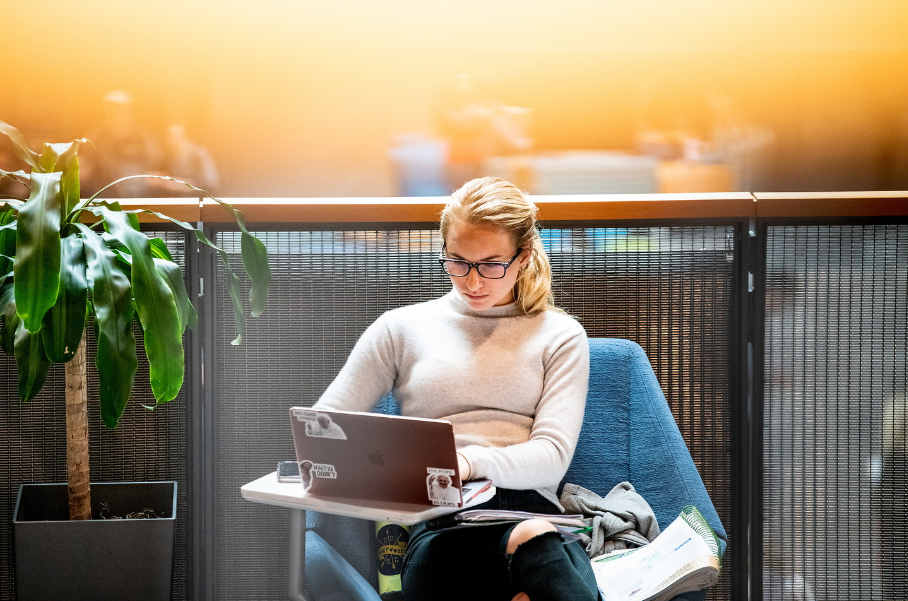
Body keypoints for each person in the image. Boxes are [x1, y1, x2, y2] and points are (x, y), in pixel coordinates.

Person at [313, 177, 597, 601]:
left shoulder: (560, 335)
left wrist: (466, 461)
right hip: (442, 523)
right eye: (458, 262)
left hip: (530, 511)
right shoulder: (401, 328)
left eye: (491, 264)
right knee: (533, 551)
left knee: (536, 537)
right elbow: (323, 428)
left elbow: (552, 458)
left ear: (524, 256)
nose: (473, 281)